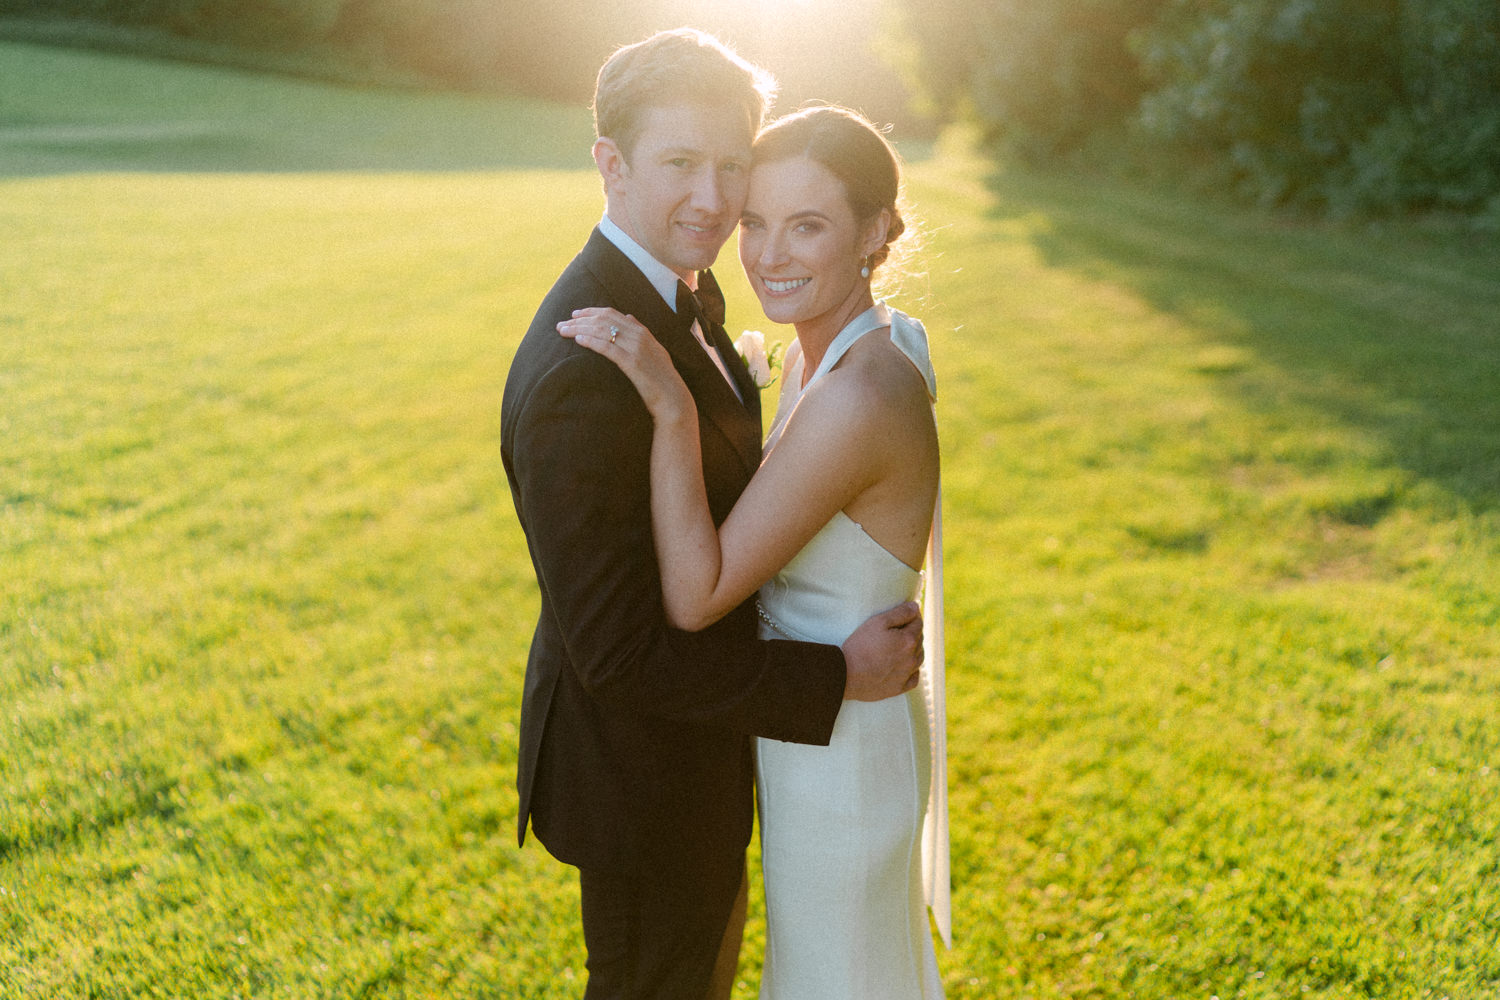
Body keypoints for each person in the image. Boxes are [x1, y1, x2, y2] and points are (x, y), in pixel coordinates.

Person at [500, 31, 926, 1000]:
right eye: (680, 164)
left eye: (732, 165)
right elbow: (617, 653)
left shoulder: (681, 295)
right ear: (611, 163)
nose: (713, 198)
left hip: (708, 755)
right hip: (640, 777)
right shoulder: (585, 370)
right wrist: (833, 676)